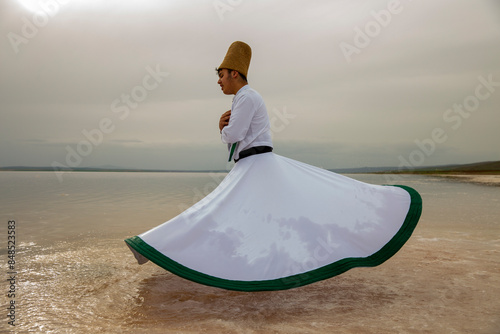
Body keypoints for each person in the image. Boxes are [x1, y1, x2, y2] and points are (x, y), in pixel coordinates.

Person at [125, 41, 422, 292]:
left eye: (221, 75)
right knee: (234, 214)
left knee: (216, 211)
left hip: (256, 165)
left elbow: (234, 135)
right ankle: (162, 248)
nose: (218, 80)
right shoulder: (247, 97)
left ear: (234, 73)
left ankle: (157, 248)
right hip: (252, 164)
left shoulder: (246, 97)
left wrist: (220, 127)